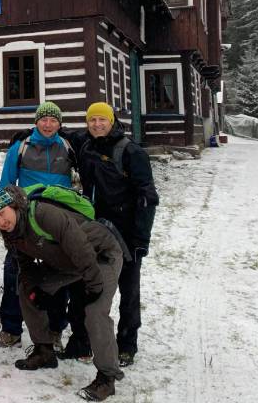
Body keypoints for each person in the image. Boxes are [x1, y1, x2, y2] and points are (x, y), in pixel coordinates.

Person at [0, 185, 125, 401]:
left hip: (99, 256)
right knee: (26, 288)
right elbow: (25, 265)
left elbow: (79, 246)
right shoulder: (12, 233)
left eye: (2, 213)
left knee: (95, 312)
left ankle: (107, 378)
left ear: (13, 206)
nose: (1, 222)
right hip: (69, 263)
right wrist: (35, 291)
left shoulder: (42, 214)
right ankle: (44, 351)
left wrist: (93, 285)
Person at [70, 102, 159, 367]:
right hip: (94, 228)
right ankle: (84, 338)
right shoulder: (86, 145)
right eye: (92, 120)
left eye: (102, 120)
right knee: (87, 282)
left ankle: (127, 343)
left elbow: (147, 197)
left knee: (128, 289)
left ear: (112, 122)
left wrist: (141, 239)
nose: (97, 124)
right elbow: (59, 132)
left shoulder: (131, 152)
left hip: (126, 231)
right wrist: (26, 135)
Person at [0, 101, 75, 350]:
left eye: (53, 120)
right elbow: (6, 183)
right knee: (14, 272)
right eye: (44, 120)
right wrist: (5, 216)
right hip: (25, 220)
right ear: (36, 122)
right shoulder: (21, 147)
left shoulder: (68, 147)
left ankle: (55, 329)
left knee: (58, 276)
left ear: (60, 123)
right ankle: (11, 329)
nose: (48, 125)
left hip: (58, 221)